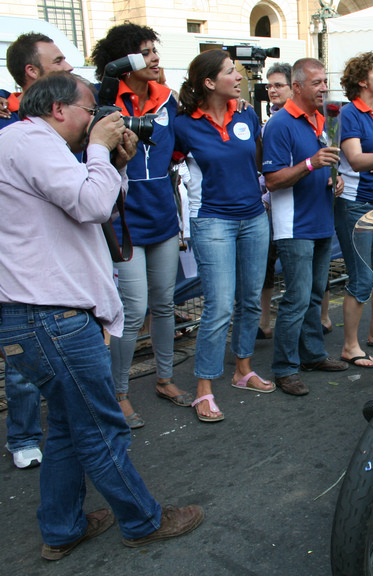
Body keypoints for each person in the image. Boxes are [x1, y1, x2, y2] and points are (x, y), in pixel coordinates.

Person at [0, 71, 203, 560]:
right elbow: (92, 205)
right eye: (91, 111)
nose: (100, 121)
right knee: (101, 426)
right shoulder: (32, 141)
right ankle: (143, 520)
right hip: (52, 317)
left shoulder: (28, 144)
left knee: (67, 428)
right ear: (58, 109)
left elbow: (99, 202)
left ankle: (61, 529)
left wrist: (111, 161)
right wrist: (96, 148)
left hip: (37, 317)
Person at [90, 23, 192, 430]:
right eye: (145, 52)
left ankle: (164, 379)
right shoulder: (102, 101)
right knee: (131, 311)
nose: (154, 58)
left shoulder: (168, 99)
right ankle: (118, 393)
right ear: (123, 60)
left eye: (154, 50)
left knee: (165, 303)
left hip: (163, 215)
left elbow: (179, 149)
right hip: (123, 221)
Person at [174, 49, 275, 422]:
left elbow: (257, 160)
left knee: (250, 300)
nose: (239, 77)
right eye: (231, 71)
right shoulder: (182, 125)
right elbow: (167, 166)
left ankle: (242, 370)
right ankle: (204, 389)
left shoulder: (246, 114)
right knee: (218, 307)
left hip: (254, 217)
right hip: (212, 221)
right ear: (209, 82)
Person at [1, 32, 74, 469]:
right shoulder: (15, 131)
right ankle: (25, 436)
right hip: (25, 268)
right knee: (23, 361)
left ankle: (72, 431)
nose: (68, 66)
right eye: (58, 60)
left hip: (67, 260)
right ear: (32, 70)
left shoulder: (65, 123)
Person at [263, 57, 348, 395]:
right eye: (317, 83)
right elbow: (272, 180)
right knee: (297, 298)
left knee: (314, 294)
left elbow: (321, 167)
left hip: (320, 219)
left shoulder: (320, 119)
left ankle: (312, 355)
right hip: (295, 225)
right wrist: (311, 164)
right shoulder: (279, 124)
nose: (324, 88)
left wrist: (334, 179)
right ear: (297, 87)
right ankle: (285, 368)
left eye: (325, 81)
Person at [335, 51, 373, 367]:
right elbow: (357, 159)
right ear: (362, 81)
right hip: (356, 204)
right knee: (361, 276)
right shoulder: (350, 114)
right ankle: (350, 346)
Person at [258, 61, 293, 341]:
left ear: (294, 87)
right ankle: (263, 322)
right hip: (269, 205)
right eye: (269, 86)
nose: (272, 90)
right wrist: (264, 196)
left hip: (296, 205)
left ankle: (321, 318)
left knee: (307, 266)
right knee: (266, 264)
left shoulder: (309, 119)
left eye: (278, 85)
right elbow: (263, 169)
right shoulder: (268, 122)